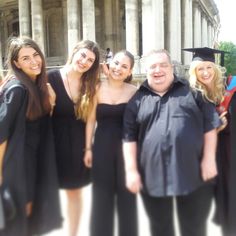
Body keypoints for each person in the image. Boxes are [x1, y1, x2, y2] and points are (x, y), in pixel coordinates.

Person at [122, 49, 222, 236]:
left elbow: (210, 126)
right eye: (153, 66)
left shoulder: (194, 92)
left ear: (172, 67)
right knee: (160, 229)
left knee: (194, 228)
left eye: (163, 65)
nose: (158, 70)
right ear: (146, 69)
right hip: (152, 176)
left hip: (194, 173)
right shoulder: (136, 100)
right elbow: (129, 138)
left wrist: (209, 159)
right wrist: (131, 171)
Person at [0, 37, 62, 236]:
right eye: (25, 58)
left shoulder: (38, 87)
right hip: (16, 165)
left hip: (34, 162)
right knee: (17, 220)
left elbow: (41, 126)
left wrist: (51, 101)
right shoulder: (17, 90)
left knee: (30, 217)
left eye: (36, 55)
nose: (34, 61)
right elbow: (2, 135)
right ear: (16, 63)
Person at [48, 40, 100, 236]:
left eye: (91, 60)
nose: (85, 61)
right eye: (83, 55)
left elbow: (91, 119)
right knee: (42, 191)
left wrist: (88, 148)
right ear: (74, 52)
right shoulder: (49, 78)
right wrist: (51, 102)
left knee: (74, 193)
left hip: (77, 144)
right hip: (51, 142)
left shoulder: (91, 84)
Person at [84, 50, 138, 236]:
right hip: (101, 148)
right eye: (116, 63)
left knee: (127, 197)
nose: (118, 68)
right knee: (101, 196)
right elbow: (91, 120)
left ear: (130, 71)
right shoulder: (96, 88)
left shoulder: (134, 92)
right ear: (109, 63)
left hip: (126, 149)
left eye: (124, 66)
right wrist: (88, 149)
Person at [185, 47, 236, 236]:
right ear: (194, 72)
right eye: (200, 69)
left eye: (209, 67)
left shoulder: (231, 87)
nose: (205, 72)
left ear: (215, 68)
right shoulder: (191, 95)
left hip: (230, 154)